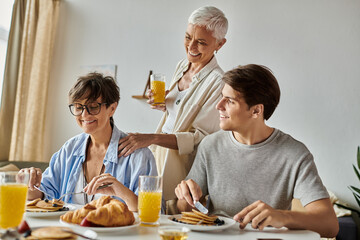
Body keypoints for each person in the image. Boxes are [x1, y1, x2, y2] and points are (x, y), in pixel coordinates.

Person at [175, 64, 339, 238]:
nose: (218, 106)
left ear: (256, 110)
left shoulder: (295, 154)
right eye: (222, 97)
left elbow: (329, 224)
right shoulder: (209, 146)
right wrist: (185, 197)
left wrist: (281, 216)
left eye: (230, 101)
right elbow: (184, 208)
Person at [117, 6, 228, 204]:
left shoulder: (218, 81)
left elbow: (200, 138)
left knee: (169, 214)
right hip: (158, 153)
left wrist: (150, 138)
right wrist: (166, 103)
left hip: (181, 164)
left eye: (201, 42)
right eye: (188, 37)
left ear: (220, 43)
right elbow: (181, 112)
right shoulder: (182, 66)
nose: (191, 47)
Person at [20, 73, 157, 211]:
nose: (84, 115)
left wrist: (120, 191)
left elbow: (153, 212)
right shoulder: (69, 149)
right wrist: (26, 184)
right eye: (79, 107)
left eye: (93, 106)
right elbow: (46, 194)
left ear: (112, 108)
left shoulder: (140, 156)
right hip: (69, 230)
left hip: (115, 232)